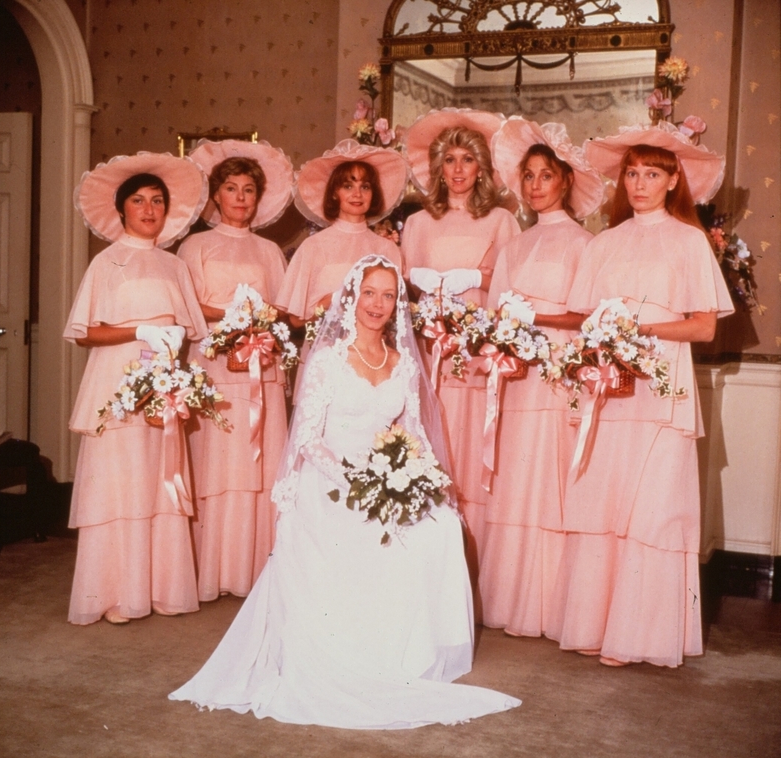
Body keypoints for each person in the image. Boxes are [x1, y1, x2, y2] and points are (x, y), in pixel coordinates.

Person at [169, 255, 521, 728]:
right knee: (358, 535)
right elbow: (308, 441)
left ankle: (405, 654)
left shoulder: (402, 365)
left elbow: (413, 432)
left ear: (398, 304)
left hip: (384, 476)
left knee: (439, 527)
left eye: (388, 295)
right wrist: (357, 480)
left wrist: (423, 480)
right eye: (370, 293)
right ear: (352, 297)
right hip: (330, 480)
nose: (378, 304)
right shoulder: (328, 362)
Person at [546, 122, 734, 667]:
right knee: (605, 498)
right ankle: (594, 625)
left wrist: (642, 331)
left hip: (664, 382)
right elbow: (583, 319)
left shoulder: (688, 240)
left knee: (652, 504)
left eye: (652, 173)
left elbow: (703, 328)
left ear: (673, 179)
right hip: (609, 384)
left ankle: (639, 636)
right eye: (632, 173)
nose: (639, 183)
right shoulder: (605, 242)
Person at [64, 152, 209, 625]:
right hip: (116, 385)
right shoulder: (108, 263)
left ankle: (160, 588)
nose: (149, 210)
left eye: (158, 202)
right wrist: (137, 331)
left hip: (162, 386)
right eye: (139, 201)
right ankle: (113, 595)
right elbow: (86, 331)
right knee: (119, 485)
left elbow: (189, 329)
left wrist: (174, 372)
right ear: (122, 208)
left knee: (157, 482)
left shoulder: (174, 266)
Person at [478, 118, 605, 636]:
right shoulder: (514, 246)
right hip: (517, 377)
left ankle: (553, 607)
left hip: (559, 375)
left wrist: (536, 318)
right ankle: (510, 602)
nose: (534, 185)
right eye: (527, 176)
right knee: (518, 480)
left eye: (545, 175)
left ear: (565, 181)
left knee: (552, 480)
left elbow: (591, 316)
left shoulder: (584, 244)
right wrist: (505, 334)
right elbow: (494, 313)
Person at [400, 108, 521, 583]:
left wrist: (479, 278)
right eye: (448, 159)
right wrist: (415, 281)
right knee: (433, 437)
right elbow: (400, 290)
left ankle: (476, 570)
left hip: (476, 352)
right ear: (437, 167)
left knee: (473, 446)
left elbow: (512, 286)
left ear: (481, 168)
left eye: (466, 160)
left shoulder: (500, 220)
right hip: (431, 348)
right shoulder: (417, 223)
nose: (456, 169)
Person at [179, 139, 294, 602]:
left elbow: (282, 308)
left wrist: (259, 323)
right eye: (231, 188)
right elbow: (189, 306)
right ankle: (215, 569)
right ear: (215, 196)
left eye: (249, 189)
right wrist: (233, 318)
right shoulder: (195, 245)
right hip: (216, 364)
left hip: (260, 366)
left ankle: (255, 569)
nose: (241, 197)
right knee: (219, 464)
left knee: (257, 463)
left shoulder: (269, 251)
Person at [275, 139, 407, 329]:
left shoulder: (387, 249)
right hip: (324, 351)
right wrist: (330, 301)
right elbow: (296, 320)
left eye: (365, 187)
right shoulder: (313, 246)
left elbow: (396, 316)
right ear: (335, 193)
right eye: (348, 186)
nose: (357, 194)